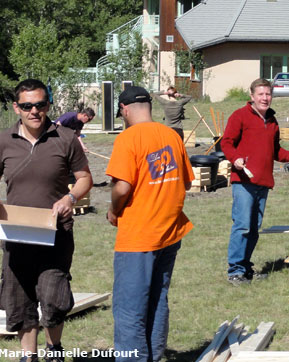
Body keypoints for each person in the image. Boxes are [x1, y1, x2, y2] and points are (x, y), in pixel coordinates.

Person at [0, 79, 93, 362]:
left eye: (40, 105)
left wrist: (70, 199)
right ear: (17, 107)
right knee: (20, 299)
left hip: (55, 232)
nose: (34, 111)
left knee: (54, 296)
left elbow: (84, 179)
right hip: (16, 232)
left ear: (48, 105)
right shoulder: (4, 141)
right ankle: (28, 356)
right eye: (27, 106)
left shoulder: (65, 138)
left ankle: (54, 350)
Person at [106, 86, 194, 361]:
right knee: (157, 300)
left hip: (139, 236)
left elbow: (122, 188)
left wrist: (112, 210)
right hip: (170, 231)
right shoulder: (171, 135)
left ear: (124, 109)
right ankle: (153, 356)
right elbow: (187, 181)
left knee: (129, 308)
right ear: (150, 107)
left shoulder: (128, 138)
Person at [221, 78, 289, 286]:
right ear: (252, 96)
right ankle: (235, 271)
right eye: (261, 94)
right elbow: (226, 142)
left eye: (268, 94)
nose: (265, 98)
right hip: (244, 180)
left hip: (263, 183)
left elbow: (275, 151)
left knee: (254, 228)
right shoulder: (239, 116)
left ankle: (245, 268)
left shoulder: (272, 121)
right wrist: (235, 158)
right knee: (243, 226)